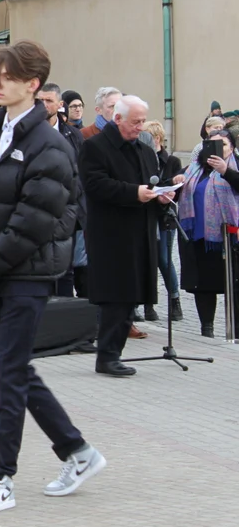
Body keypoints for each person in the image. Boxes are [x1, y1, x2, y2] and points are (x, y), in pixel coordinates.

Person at [0, 40, 104, 514]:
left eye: (8, 76)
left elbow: (34, 220)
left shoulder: (50, 146)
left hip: (27, 275)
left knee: (10, 374)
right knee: (15, 368)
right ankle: (78, 452)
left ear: (33, 84)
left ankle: (0, 477)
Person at [80, 95, 170, 376]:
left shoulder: (143, 150)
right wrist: (135, 193)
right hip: (112, 236)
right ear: (117, 119)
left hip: (141, 233)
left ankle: (114, 354)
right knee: (115, 297)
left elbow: (152, 182)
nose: (140, 127)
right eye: (135, 122)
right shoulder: (94, 147)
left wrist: (162, 195)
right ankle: (107, 356)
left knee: (131, 296)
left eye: (143, 121)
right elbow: (95, 185)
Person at [178, 129, 239, 338]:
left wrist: (225, 171)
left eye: (222, 144)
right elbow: (176, 188)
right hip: (200, 237)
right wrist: (175, 182)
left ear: (231, 147)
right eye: (211, 144)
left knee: (233, 285)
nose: (217, 149)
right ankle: (207, 330)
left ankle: (235, 333)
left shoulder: (234, 166)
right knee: (203, 285)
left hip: (229, 239)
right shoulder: (195, 168)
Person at [38, 83, 85, 298]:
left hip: (67, 213)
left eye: (49, 101)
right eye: (40, 100)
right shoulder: (25, 132)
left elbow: (82, 174)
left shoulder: (73, 136)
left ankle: (64, 326)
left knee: (66, 271)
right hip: (36, 212)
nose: (44, 105)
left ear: (59, 104)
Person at [145, 120, 184, 322]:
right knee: (146, 260)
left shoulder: (172, 161)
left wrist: (170, 191)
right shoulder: (142, 158)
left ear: (157, 139)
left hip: (165, 216)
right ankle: (147, 305)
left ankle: (175, 300)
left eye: (147, 137)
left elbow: (177, 188)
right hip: (146, 214)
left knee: (164, 259)